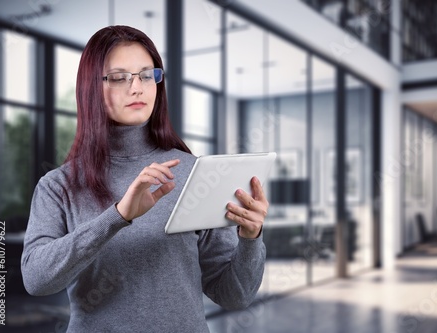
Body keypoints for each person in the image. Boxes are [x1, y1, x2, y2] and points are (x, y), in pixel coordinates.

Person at [21, 25, 268, 332]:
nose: (137, 87)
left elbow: (234, 295)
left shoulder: (195, 173)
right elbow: (36, 280)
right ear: (90, 88)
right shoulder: (59, 186)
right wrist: (118, 216)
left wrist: (250, 239)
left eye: (146, 74)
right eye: (119, 77)